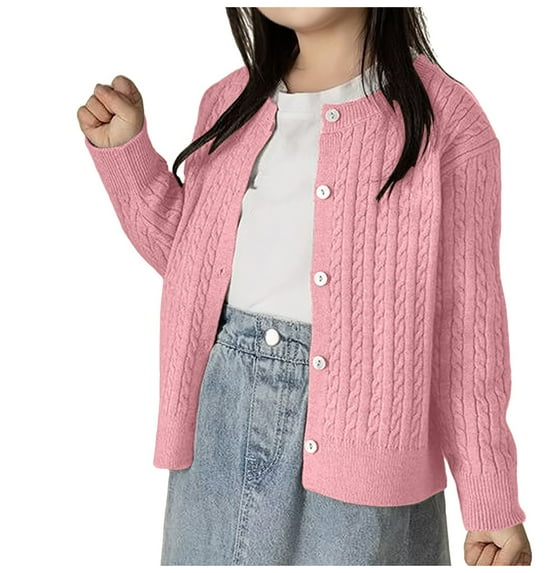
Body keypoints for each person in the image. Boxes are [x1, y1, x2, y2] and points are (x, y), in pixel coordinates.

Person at [76, 7, 532, 566]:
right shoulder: (228, 102)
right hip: (222, 427)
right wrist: (127, 157)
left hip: (371, 441)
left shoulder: (445, 119)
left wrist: (490, 498)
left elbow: (468, 327)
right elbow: (197, 267)